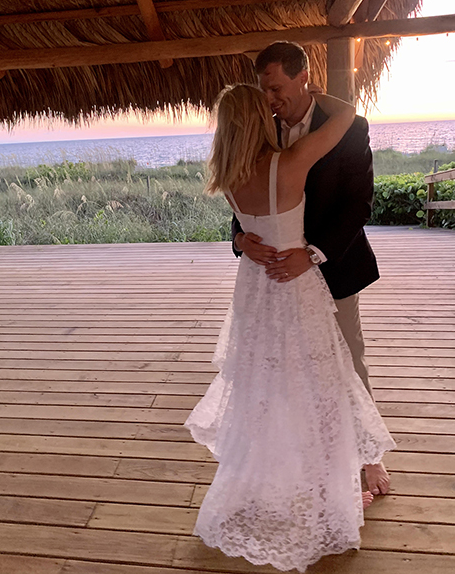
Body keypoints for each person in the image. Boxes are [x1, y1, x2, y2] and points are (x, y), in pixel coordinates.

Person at [184, 84, 395, 573]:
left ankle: (274, 471)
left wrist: (242, 235)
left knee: (266, 384)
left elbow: (348, 204)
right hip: (296, 287)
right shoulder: (291, 160)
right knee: (323, 382)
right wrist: (321, 95)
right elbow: (344, 116)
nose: (274, 103)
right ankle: (328, 479)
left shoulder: (229, 174)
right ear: (258, 120)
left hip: (258, 292)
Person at [232, 41, 390, 496]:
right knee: (288, 367)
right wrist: (240, 240)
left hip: (332, 265)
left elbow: (358, 203)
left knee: (348, 360)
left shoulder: (350, 128)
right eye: (264, 90)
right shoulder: (261, 129)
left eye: (277, 87)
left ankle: (368, 458)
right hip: (277, 277)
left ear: (304, 77)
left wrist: (314, 252)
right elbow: (242, 194)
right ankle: (308, 452)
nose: (271, 99)